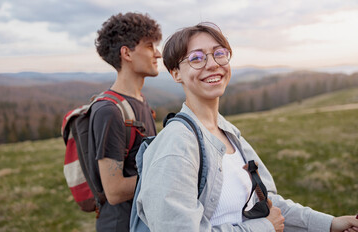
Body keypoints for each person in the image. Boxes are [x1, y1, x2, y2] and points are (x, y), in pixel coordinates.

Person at [135, 22, 358, 232]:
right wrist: (264, 228)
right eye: (196, 58)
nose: (212, 64)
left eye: (219, 53)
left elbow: (269, 205)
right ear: (176, 73)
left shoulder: (228, 133)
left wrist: (330, 224)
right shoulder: (176, 144)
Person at [88, 12, 162, 232]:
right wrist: (170, 173)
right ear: (126, 53)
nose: (158, 54)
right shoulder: (109, 111)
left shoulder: (141, 102)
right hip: (121, 225)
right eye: (150, 46)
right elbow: (114, 190)